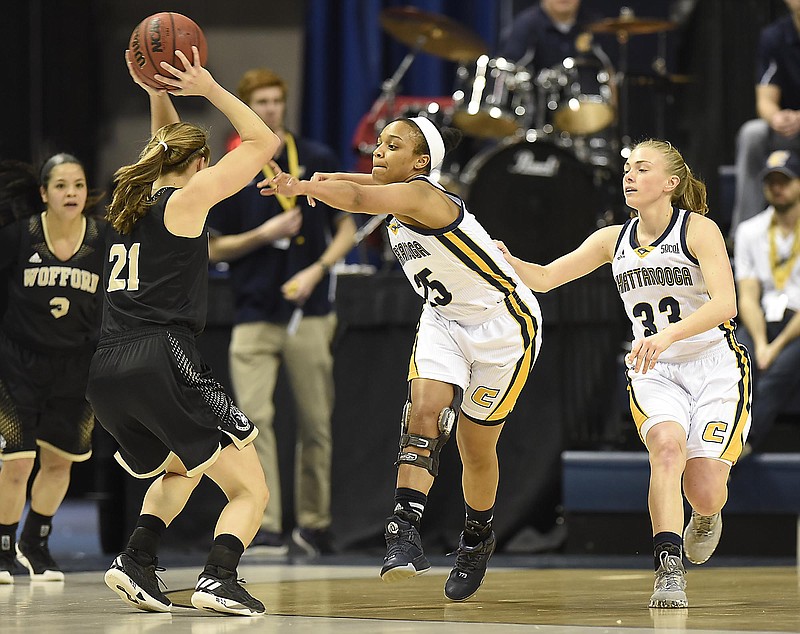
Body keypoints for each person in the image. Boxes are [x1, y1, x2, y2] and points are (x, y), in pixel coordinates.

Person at [261, 117, 543, 602]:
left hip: (504, 325)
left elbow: (357, 197)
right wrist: (309, 182)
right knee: (423, 414)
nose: (379, 150)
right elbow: (359, 183)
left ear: (421, 163)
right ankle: (403, 531)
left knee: (475, 448)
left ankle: (477, 536)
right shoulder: (396, 190)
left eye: (394, 145)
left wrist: (307, 184)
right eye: (378, 142)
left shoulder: (423, 197)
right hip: (444, 319)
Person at [497, 139, 751, 608]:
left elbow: (726, 305)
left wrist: (669, 334)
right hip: (656, 370)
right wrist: (509, 263)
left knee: (706, 490)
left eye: (641, 169)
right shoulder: (611, 239)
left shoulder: (699, 230)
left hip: (714, 367)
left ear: (670, 183)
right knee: (667, 449)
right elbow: (548, 277)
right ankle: (669, 570)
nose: (629, 176)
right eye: (627, 169)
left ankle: (706, 515)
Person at [85, 48, 280, 616]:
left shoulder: (129, 202)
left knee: (180, 467)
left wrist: (155, 90)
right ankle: (219, 576)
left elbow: (163, 143)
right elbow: (263, 141)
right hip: (161, 356)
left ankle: (136, 560)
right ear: (199, 165)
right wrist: (209, 86)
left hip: (107, 366)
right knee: (250, 488)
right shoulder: (190, 199)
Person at [208, 68, 356, 557]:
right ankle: (264, 523)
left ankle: (314, 524)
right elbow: (212, 249)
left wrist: (317, 270)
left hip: (308, 310)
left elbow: (346, 230)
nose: (269, 110)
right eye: (260, 102)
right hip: (252, 311)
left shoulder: (314, 158)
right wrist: (264, 235)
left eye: (275, 101)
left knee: (316, 422)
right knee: (252, 421)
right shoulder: (232, 168)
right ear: (247, 107)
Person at [0, 154, 106, 584]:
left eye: (78, 185)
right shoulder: (17, 237)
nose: (71, 194)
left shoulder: (103, 240)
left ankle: (35, 544)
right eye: (61, 186)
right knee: (18, 463)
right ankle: (5, 548)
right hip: (18, 364)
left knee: (60, 462)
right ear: (43, 194)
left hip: (78, 368)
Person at [734, 149, 800, 453]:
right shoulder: (749, 231)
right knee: (739, 359)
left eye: (784, 181)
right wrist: (761, 343)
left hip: (796, 322)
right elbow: (747, 296)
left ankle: (741, 446)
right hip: (762, 319)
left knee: (777, 373)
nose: (777, 187)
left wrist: (775, 348)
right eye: (771, 181)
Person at [730, 0, 800, 235]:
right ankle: (744, 236)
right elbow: (765, 98)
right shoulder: (775, 37)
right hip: (790, 131)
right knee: (752, 133)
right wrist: (776, 118)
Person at [495, 0, 604, 75]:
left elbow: (609, 74)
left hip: (585, 104)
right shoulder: (524, 27)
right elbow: (508, 71)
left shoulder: (596, 26)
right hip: (536, 104)